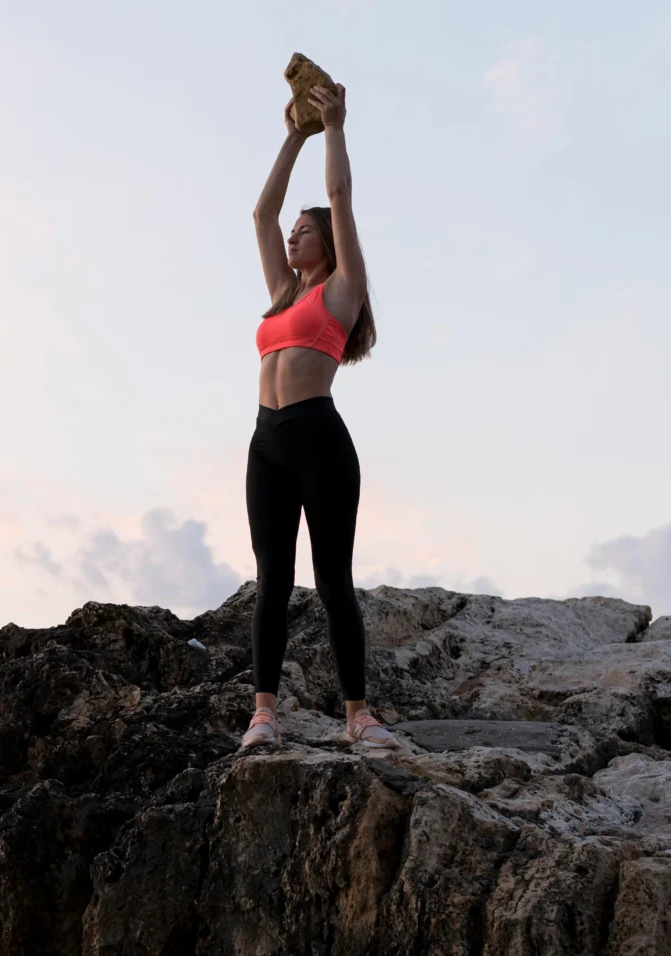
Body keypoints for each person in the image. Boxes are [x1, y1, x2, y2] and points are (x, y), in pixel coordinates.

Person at [240, 81, 401, 751]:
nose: (294, 233)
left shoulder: (343, 287)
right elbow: (260, 213)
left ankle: (357, 715)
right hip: (266, 441)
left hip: (319, 440)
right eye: (296, 231)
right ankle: (263, 715)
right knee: (272, 578)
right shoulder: (282, 293)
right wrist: (294, 135)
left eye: (305, 231)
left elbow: (338, 197)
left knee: (333, 579)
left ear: (327, 243)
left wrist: (333, 127)